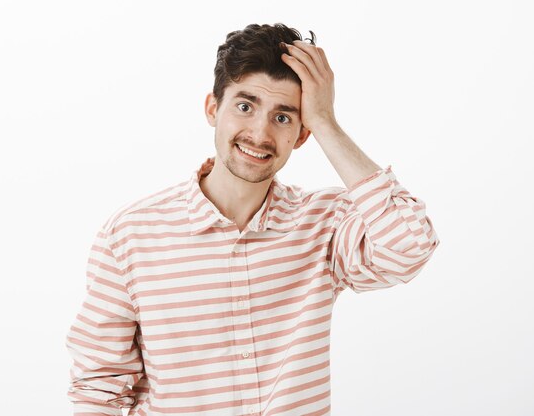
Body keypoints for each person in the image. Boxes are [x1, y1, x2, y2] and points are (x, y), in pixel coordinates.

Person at [65, 23, 440, 416]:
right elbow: (98, 388)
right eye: (245, 107)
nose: (260, 134)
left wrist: (326, 121)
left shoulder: (324, 224)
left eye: (283, 117)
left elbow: (409, 246)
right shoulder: (130, 235)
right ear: (213, 109)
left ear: (301, 134)